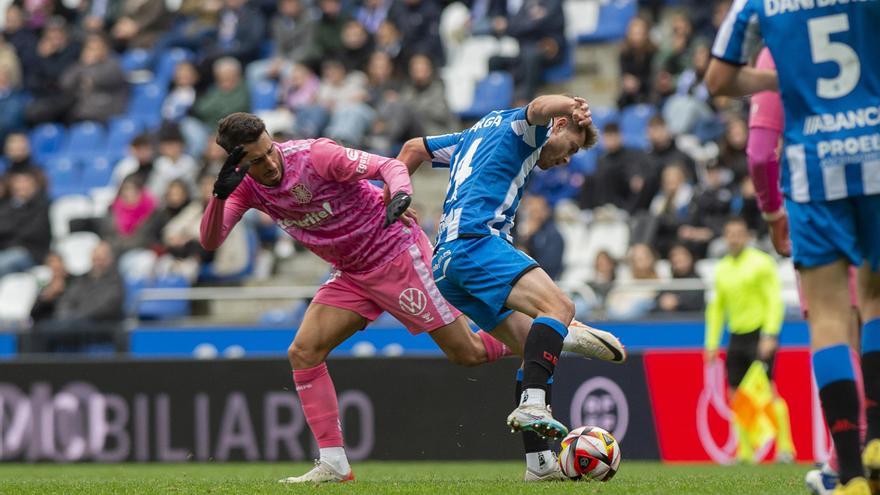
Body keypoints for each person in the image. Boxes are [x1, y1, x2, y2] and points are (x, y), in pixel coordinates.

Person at [199, 112, 623, 483]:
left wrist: (399, 194)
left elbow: (389, 164)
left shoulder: (314, 155)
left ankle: (550, 333)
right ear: (238, 162)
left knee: (469, 353)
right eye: (255, 160)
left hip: (396, 253)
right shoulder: (244, 188)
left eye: (269, 150)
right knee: (304, 352)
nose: (269, 163)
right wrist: (220, 197)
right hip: (351, 273)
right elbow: (211, 239)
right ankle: (333, 464)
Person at [707, 1, 880, 492]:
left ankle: (846, 472)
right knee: (874, 305)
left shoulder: (762, 3)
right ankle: (878, 441)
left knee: (828, 320)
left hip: (814, 172)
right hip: (875, 154)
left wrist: (783, 79)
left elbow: (719, 84)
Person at [396, 94, 613, 465]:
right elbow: (539, 105)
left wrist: (396, 193)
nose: (565, 160)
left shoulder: (474, 135)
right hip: (476, 243)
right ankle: (534, 402)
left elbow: (413, 148)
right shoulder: (528, 130)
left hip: (445, 265)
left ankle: (540, 465)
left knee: (533, 345)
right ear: (559, 126)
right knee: (560, 306)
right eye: (571, 148)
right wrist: (569, 106)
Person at [746, 47, 866, 495]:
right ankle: (851, 458)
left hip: (816, 200)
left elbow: (760, 153)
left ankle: (847, 465)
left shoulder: (779, 37)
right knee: (868, 323)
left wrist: (774, 213)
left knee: (834, 328)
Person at [704, 217, 793, 463]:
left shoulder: (761, 263)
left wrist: (770, 334)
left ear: (747, 236)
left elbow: (774, 300)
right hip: (736, 336)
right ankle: (744, 452)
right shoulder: (721, 268)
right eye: (730, 234)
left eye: (739, 234)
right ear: (725, 237)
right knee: (736, 394)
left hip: (759, 335)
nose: (734, 238)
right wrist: (711, 344)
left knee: (768, 391)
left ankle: (785, 448)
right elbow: (716, 310)